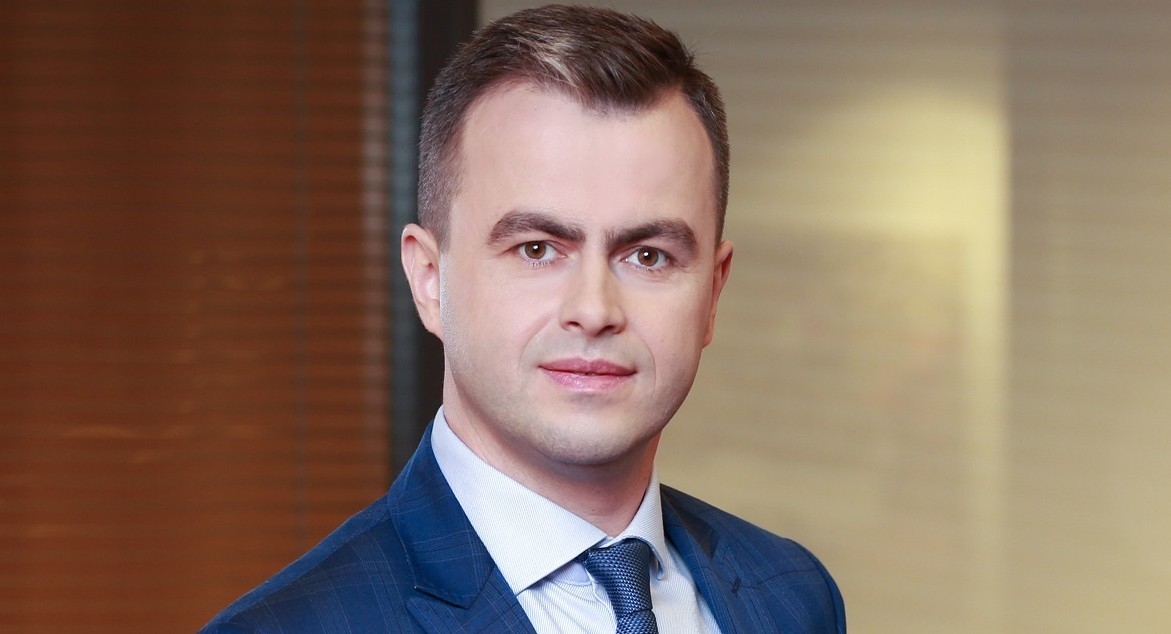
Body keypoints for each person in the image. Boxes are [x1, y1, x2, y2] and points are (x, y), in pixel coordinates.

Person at [201, 4, 845, 633]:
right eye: (537, 249)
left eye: (648, 256)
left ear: (713, 293)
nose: (594, 310)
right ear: (428, 279)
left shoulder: (793, 596)